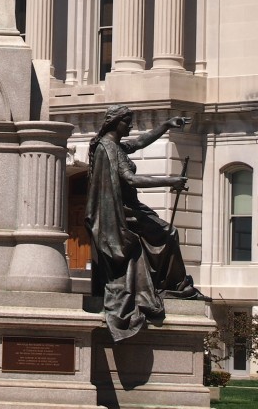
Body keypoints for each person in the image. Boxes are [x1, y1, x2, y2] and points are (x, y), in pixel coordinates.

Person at [84, 105, 203, 343]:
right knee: (168, 233)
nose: (130, 126)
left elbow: (139, 143)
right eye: (127, 121)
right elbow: (130, 178)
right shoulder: (108, 148)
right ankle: (175, 286)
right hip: (120, 214)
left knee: (167, 233)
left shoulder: (114, 145)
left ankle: (171, 285)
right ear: (115, 122)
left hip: (131, 208)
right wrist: (170, 180)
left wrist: (166, 125)